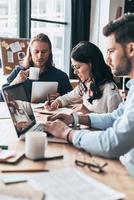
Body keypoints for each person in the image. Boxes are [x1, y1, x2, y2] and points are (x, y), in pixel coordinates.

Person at [44, 13, 134, 159]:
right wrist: (75, 119)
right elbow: (115, 117)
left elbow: (112, 143)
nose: (108, 59)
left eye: (111, 51)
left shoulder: (110, 91)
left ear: (131, 49)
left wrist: (67, 133)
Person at [45, 41, 122, 114]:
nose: (75, 72)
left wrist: (88, 113)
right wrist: (55, 103)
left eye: (78, 67)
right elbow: (67, 98)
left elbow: (116, 122)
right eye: (73, 67)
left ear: (91, 64)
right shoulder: (87, 84)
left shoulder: (110, 91)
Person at [3, 33, 72, 101]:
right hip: (25, 112)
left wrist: (60, 100)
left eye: (44, 52)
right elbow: (1, 98)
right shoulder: (18, 72)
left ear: (49, 52)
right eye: (36, 51)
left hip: (49, 111)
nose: (40, 56)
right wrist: (15, 82)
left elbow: (71, 101)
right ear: (30, 51)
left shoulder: (61, 76)